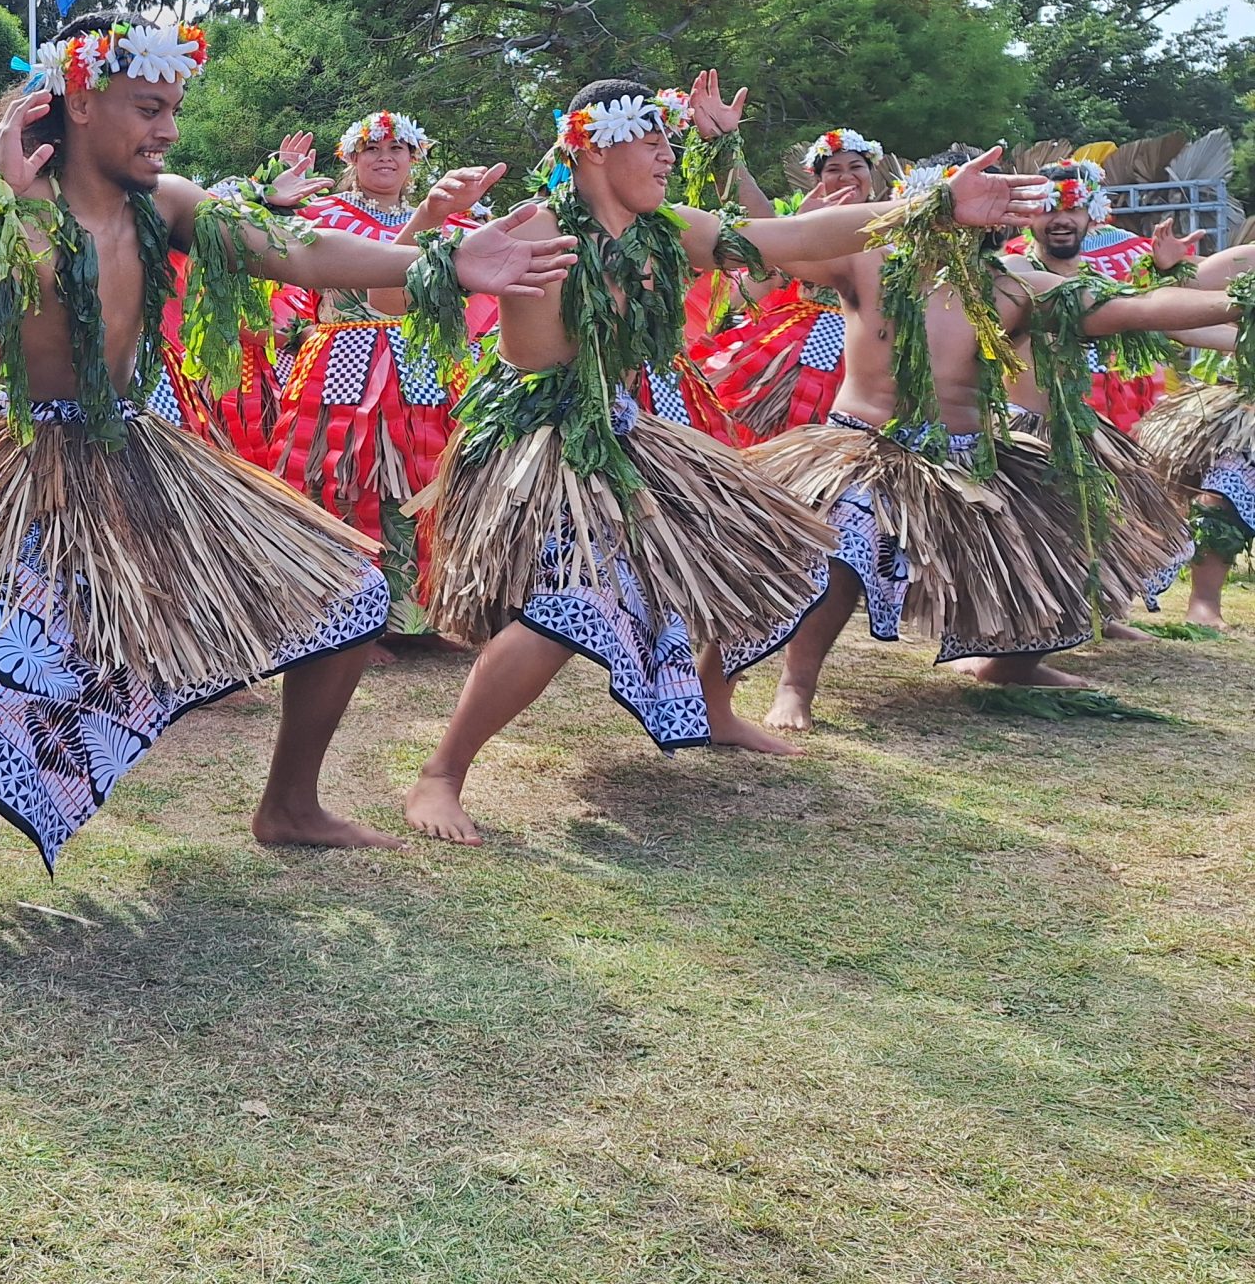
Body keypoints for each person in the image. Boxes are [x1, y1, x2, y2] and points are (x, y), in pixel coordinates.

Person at [0, 13, 576, 971]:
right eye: (150, 107)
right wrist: (8, 207)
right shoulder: (9, 211)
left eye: (172, 110)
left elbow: (295, 249)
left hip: (146, 456)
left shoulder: (167, 202)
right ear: (76, 100)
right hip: (33, 471)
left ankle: (290, 803)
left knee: (351, 593)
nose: (168, 131)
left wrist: (438, 259)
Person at [401, 84, 1053, 845]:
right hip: (543, 443)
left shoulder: (666, 229)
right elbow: (528, 357)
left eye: (670, 144)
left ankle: (714, 703)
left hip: (625, 429)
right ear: (593, 145)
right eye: (653, 142)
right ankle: (440, 774)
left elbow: (784, 240)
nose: (668, 157)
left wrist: (930, 207)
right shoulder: (540, 230)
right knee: (571, 605)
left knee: (787, 550)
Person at [750, 150, 1231, 731]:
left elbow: (1134, 307)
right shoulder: (869, 263)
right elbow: (772, 240)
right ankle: (796, 685)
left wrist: (1239, 301)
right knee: (850, 537)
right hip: (864, 447)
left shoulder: (1017, 287)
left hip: (970, 452)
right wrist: (730, 157)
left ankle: (1011, 662)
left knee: (1054, 525)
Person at [264, 112, 496, 640]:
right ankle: (345, 619)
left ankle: (419, 615)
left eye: (397, 147)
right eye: (371, 148)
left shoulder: (454, 222)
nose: (384, 156)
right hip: (342, 361)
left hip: (423, 364)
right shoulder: (319, 216)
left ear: (416, 159)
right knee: (340, 477)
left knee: (424, 478)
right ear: (349, 159)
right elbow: (280, 278)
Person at [702, 128, 887, 440]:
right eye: (833, 170)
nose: (846, 177)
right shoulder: (806, 225)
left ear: (871, 173)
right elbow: (769, 252)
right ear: (818, 179)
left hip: (874, 351)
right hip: (801, 341)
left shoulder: (897, 225)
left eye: (856, 167)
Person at [1133, 241, 1255, 626]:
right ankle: (1204, 603)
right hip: (1251, 412)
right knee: (1228, 482)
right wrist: (1170, 265)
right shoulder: (1250, 259)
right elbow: (1174, 299)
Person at [1003, 158, 1168, 434]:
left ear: (1091, 216)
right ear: (1028, 216)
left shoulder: (1101, 285)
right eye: (1048, 208)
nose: (1062, 220)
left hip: (1107, 436)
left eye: (1074, 208)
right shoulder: (1016, 275)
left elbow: (1162, 321)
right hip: (1033, 441)